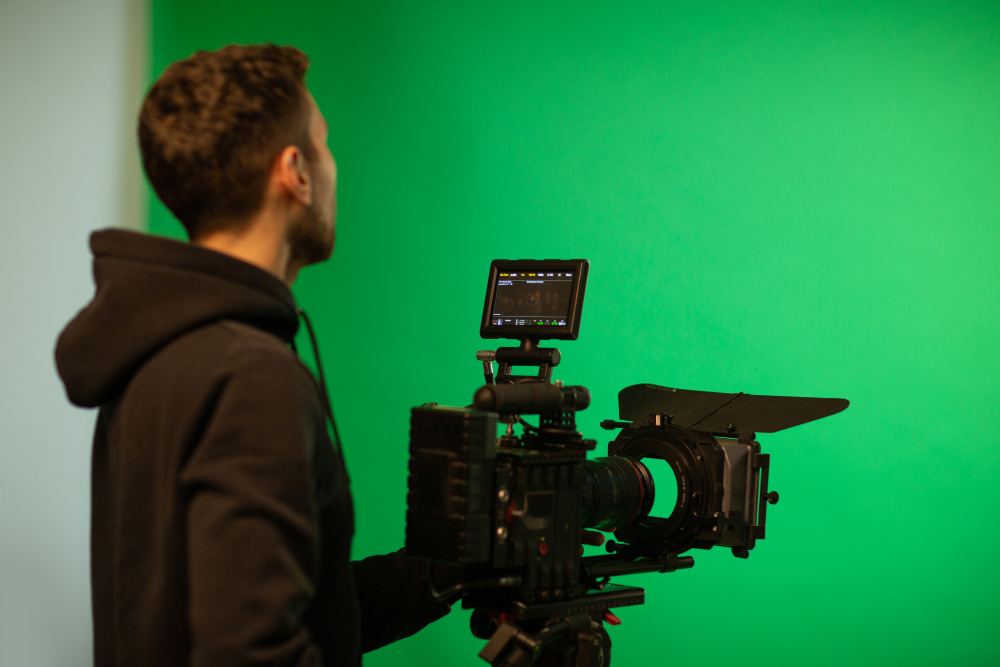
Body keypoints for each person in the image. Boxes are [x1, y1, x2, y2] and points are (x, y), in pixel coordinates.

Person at [55, 44, 452, 667]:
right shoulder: (252, 378)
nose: (334, 168)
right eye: (325, 145)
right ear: (295, 172)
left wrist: (442, 575)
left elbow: (273, 609)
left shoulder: (158, 349)